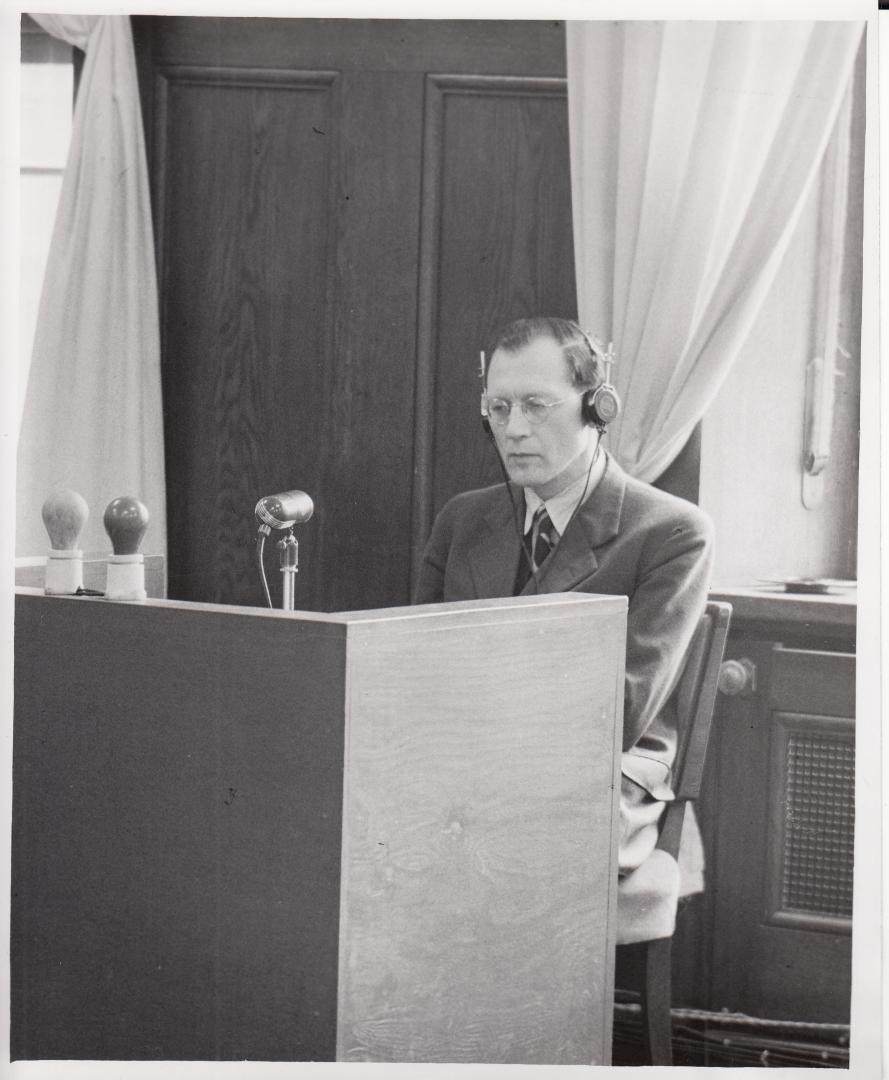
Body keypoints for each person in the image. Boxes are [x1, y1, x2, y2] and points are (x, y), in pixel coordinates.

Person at [414, 316, 714, 878]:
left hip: (599, 782)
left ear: (597, 407)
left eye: (536, 406)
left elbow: (618, 713)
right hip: (473, 771)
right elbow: (417, 674)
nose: (513, 429)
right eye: (499, 408)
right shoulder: (463, 520)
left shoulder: (672, 533)